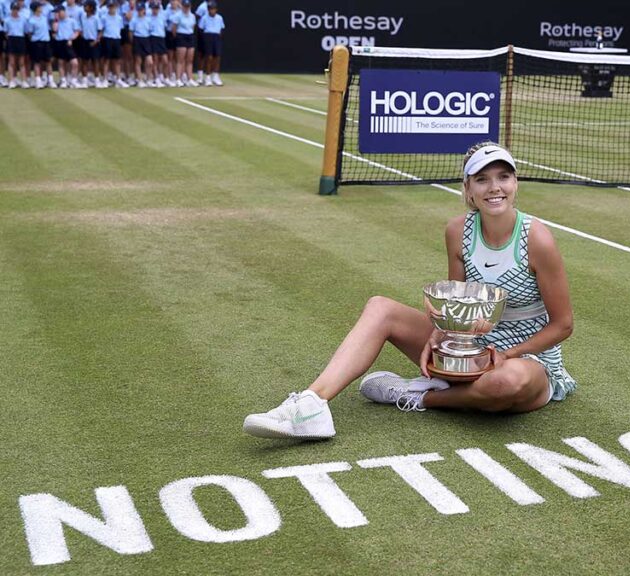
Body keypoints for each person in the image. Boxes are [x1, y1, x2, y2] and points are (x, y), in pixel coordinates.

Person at [242, 142, 577, 440]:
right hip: (470, 350)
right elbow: (460, 303)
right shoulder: (458, 230)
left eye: (504, 177)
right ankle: (312, 404)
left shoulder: (537, 239)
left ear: (515, 183)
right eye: (482, 179)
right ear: (468, 189)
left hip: (528, 363)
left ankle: (414, 395)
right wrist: (439, 333)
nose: (495, 188)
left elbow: (562, 325)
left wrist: (506, 355)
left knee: (502, 385)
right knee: (380, 307)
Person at [25, 1, 55, 88]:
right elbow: (29, 33)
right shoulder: (31, 20)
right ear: (36, 9)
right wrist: (35, 39)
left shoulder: (44, 17)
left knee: (48, 62)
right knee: (37, 62)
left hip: (46, 42)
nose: (41, 8)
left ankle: (50, 81)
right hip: (36, 43)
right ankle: (38, 81)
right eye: (39, 7)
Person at [98, 0, 127, 87]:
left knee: (117, 60)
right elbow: (101, 29)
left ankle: (118, 79)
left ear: (116, 7)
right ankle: (105, 80)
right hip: (107, 39)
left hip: (117, 39)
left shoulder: (119, 18)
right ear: (108, 7)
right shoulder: (104, 17)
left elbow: (120, 29)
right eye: (110, 6)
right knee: (106, 60)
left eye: (113, 6)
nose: (112, 8)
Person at [52, 4, 81, 88]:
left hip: (68, 43)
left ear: (63, 11)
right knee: (61, 63)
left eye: (58, 12)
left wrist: (71, 39)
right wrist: (56, 22)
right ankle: (63, 81)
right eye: (55, 13)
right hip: (59, 43)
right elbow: (54, 33)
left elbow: (77, 32)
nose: (56, 14)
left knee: (74, 63)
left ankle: (73, 81)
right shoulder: (56, 22)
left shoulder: (71, 21)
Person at [171, 0, 196, 86]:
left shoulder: (192, 16)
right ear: (182, 6)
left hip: (190, 36)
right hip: (181, 36)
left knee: (190, 60)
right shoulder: (177, 15)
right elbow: (174, 28)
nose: (186, 8)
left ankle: (190, 79)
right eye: (185, 6)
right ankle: (178, 79)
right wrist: (178, 36)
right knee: (180, 60)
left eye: (188, 6)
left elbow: (193, 27)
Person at [4, 1, 28, 88]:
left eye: (17, 9)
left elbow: (26, 31)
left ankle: (24, 81)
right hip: (11, 40)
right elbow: (6, 33)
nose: (15, 11)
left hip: (20, 39)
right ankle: (11, 81)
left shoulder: (23, 19)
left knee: (21, 62)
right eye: (14, 9)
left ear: (19, 9)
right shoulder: (7, 20)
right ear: (11, 9)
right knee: (11, 62)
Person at [197, 0, 221, 85]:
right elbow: (200, 28)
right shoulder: (204, 18)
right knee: (209, 57)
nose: (212, 10)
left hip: (216, 37)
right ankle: (207, 77)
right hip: (207, 37)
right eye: (210, 9)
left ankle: (215, 76)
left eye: (213, 9)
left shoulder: (219, 18)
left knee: (217, 57)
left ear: (216, 9)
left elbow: (221, 29)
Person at [128, 0, 151, 87]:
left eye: (141, 10)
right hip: (137, 39)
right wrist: (133, 41)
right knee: (138, 61)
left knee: (149, 61)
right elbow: (131, 32)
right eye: (139, 10)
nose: (140, 11)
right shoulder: (134, 20)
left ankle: (148, 79)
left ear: (144, 10)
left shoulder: (148, 20)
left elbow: (149, 30)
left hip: (146, 39)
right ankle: (140, 80)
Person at [79, 0, 100, 86]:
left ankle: (97, 80)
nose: (84, 7)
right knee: (84, 61)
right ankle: (85, 80)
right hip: (84, 41)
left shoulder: (96, 18)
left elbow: (100, 31)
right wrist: (81, 34)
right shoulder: (82, 17)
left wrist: (95, 41)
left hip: (94, 41)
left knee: (95, 61)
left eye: (86, 6)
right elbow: (80, 28)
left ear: (91, 7)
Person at [147, 0, 167, 85]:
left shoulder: (162, 16)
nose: (155, 10)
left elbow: (165, 27)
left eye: (157, 8)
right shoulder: (148, 18)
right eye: (154, 8)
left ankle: (165, 77)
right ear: (151, 9)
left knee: (165, 60)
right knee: (155, 60)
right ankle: (156, 78)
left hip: (161, 38)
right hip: (153, 38)